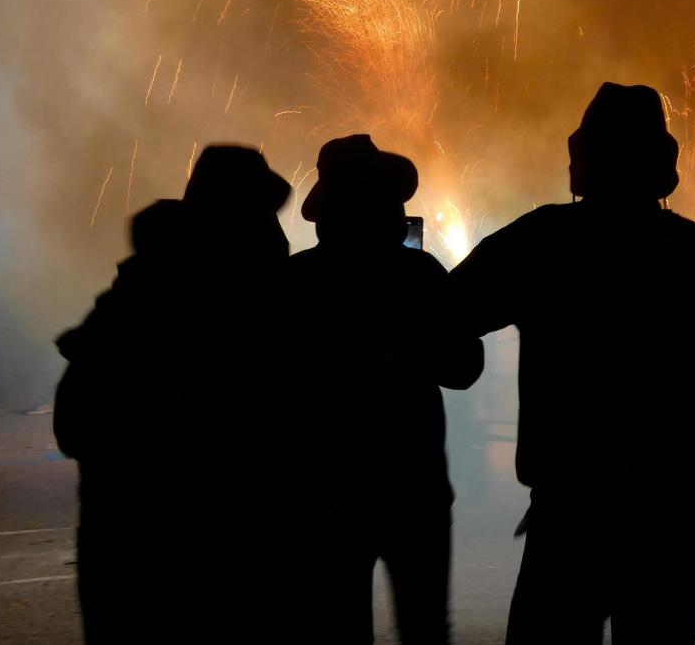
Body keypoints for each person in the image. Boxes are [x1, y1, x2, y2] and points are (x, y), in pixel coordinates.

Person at [449, 82, 695, 644]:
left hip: (567, 514)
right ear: (664, 165)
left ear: (581, 161)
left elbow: (446, 317)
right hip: (664, 516)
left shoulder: (542, 240)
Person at [53, 145, 292, 644]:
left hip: (126, 544)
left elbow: (73, 426)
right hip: (221, 549)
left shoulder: (130, 303)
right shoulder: (264, 315)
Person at [281, 134, 484, 644]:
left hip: (323, 492)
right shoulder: (419, 274)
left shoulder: (295, 281)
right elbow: (464, 367)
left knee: (336, 626)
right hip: (414, 489)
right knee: (425, 628)